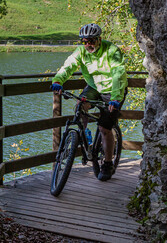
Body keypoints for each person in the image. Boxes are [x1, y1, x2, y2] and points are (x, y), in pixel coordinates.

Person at [50, 23, 127, 181]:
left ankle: (107, 163)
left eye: (91, 41)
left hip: (113, 90)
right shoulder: (81, 52)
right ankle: (85, 133)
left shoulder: (112, 51)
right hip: (94, 87)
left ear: (99, 39)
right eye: (84, 41)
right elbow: (68, 66)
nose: (88, 45)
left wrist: (115, 98)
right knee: (80, 106)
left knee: (105, 128)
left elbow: (118, 73)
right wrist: (58, 80)